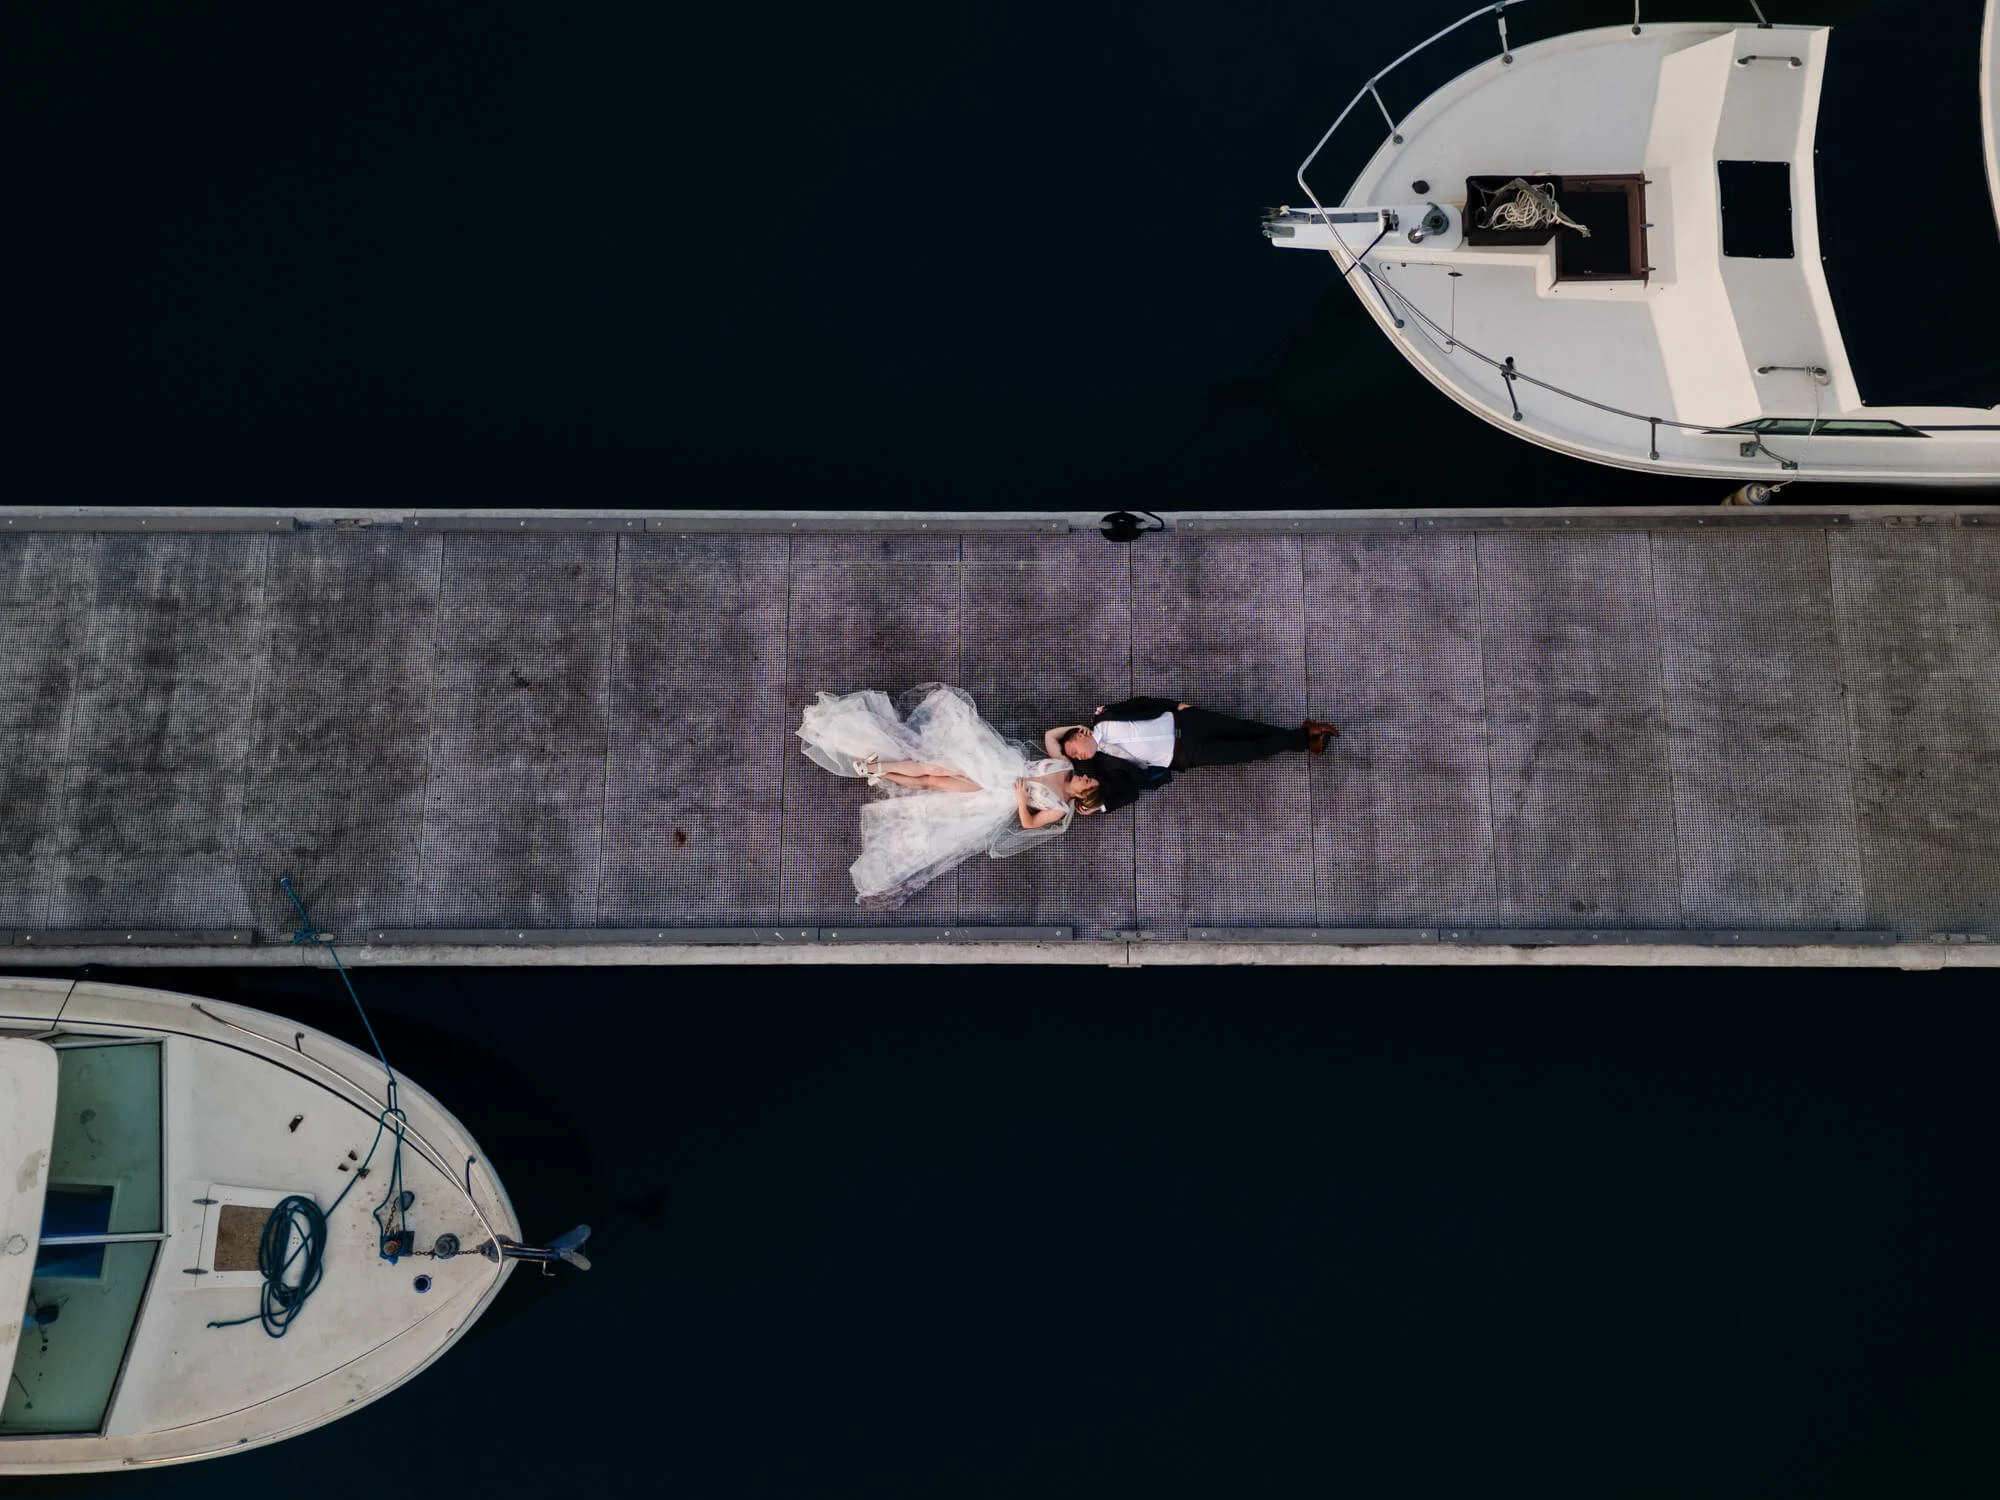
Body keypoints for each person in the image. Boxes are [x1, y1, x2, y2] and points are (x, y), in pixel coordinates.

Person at [797, 684, 1104, 908]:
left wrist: (1022, 798)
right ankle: (876, 765)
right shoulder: (1064, 765)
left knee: (934, 782)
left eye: (1086, 781)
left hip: (999, 794)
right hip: (999, 763)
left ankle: (880, 772)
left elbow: (1030, 823)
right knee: (936, 766)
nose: (1083, 776)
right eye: (1087, 775)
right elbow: (1052, 736)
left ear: (1083, 795)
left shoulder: (1061, 808)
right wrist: (1075, 727)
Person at [1045, 697, 1338, 805]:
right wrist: (1100, 804)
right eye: (1077, 758)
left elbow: (1141, 703)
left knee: (1244, 728)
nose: (1081, 756)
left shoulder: (1105, 718)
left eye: (1077, 749)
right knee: (1247, 751)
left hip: (1184, 721)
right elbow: (1129, 791)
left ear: (1082, 732)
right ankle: (1305, 735)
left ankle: (1305, 738)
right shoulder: (1105, 768)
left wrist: (1175, 706)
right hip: (1185, 753)